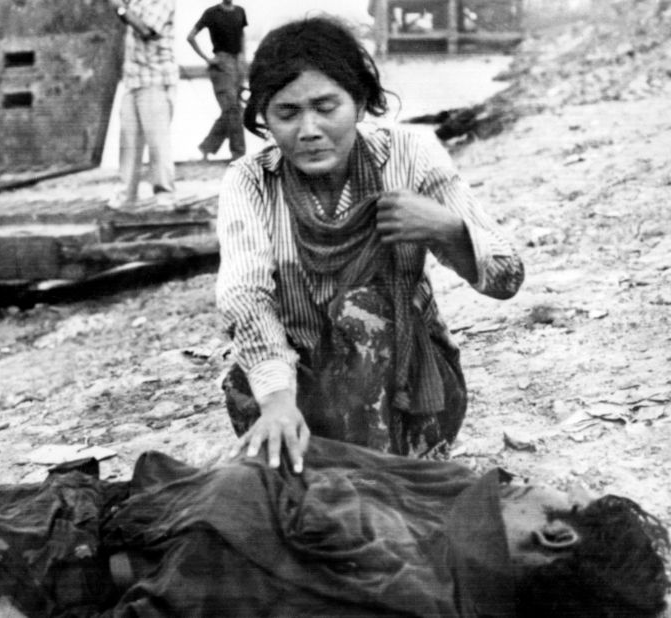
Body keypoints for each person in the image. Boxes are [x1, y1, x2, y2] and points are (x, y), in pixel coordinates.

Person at [0, 437, 671, 617]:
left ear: (556, 538)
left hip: (59, 556)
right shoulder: (452, 573)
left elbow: (231, 560)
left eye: (556, 502)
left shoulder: (418, 556)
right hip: (92, 541)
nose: (529, 489)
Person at [215, 17, 525, 473]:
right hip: (295, 391)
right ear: (264, 116)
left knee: (365, 309)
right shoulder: (249, 180)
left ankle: (383, 468)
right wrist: (278, 401)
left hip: (407, 390)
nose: (309, 130)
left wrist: (446, 229)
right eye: (287, 113)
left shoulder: (411, 154)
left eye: (326, 107)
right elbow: (244, 295)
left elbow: (507, 276)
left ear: (359, 102)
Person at [106, 0, 179, 210]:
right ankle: (125, 197)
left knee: (158, 144)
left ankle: (166, 197)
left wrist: (119, 8)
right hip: (133, 80)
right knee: (128, 142)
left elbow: (147, 30)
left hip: (155, 81)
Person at [186, 0, 248, 161]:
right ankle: (239, 154)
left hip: (237, 64)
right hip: (221, 65)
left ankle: (207, 147)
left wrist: (243, 58)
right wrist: (207, 59)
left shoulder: (240, 11)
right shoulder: (211, 13)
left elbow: (242, 36)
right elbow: (190, 37)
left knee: (233, 110)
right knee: (232, 109)